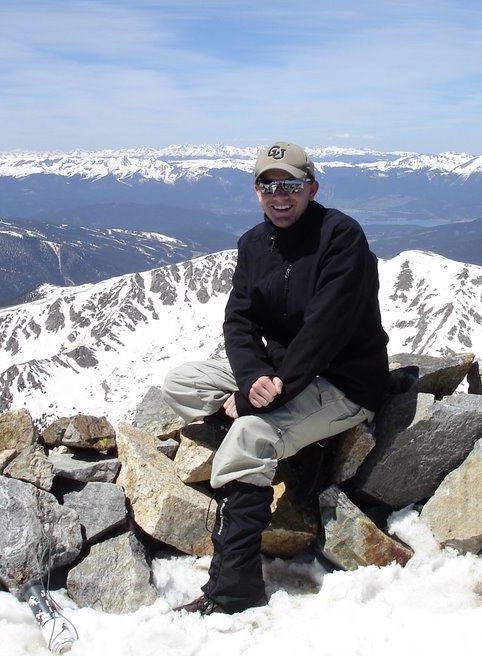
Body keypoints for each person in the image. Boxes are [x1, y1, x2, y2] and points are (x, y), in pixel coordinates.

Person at [162, 141, 390, 615]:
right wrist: (252, 379)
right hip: (280, 374)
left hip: (342, 382)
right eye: (269, 184)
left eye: (291, 184)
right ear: (256, 190)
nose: (280, 195)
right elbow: (239, 322)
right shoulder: (253, 244)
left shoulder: (341, 237)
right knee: (181, 383)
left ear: (312, 187)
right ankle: (292, 446)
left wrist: (253, 402)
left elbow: (326, 330)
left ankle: (233, 592)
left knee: (248, 435)